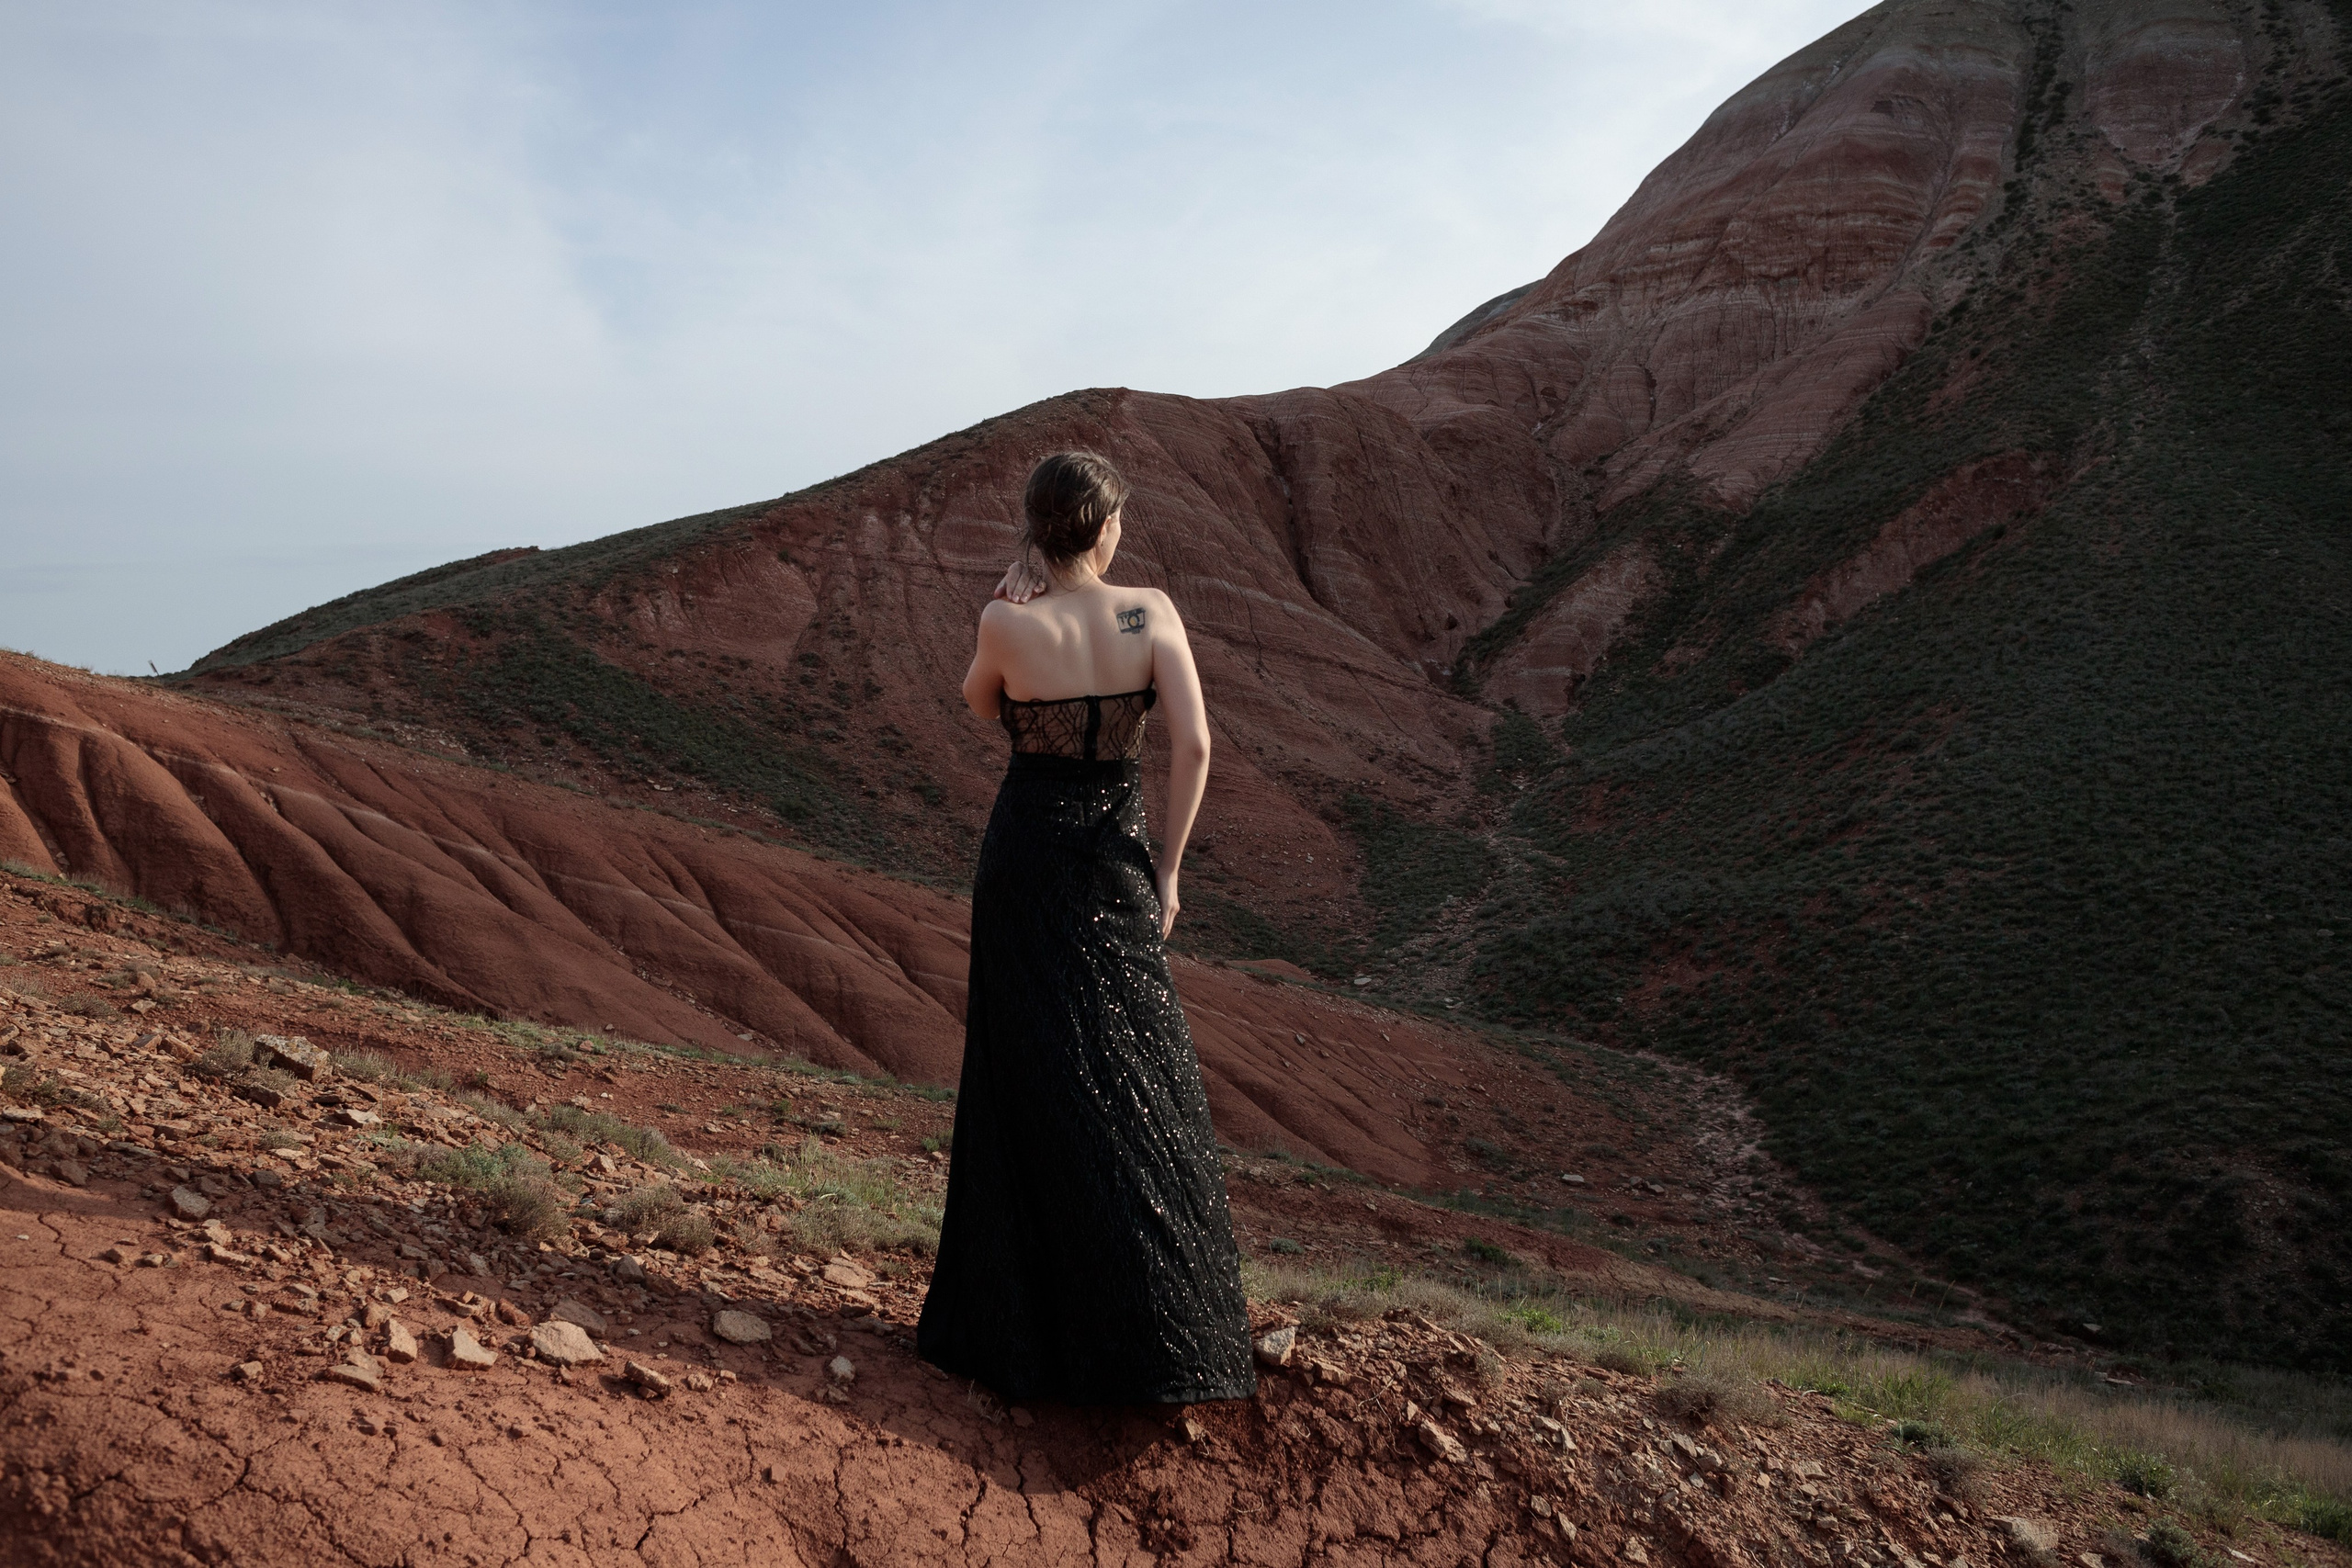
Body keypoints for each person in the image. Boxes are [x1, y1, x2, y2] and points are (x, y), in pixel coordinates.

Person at [914, 450, 1254, 1406]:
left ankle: (1024, 1335)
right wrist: (1171, 870)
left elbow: (980, 702)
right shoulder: (1147, 611)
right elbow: (1193, 743)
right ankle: (1164, 1338)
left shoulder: (1005, 619)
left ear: (1034, 527)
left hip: (1023, 859)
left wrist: (1010, 609)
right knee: (1139, 1072)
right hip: (1114, 858)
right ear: (1102, 528)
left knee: (1028, 1079)